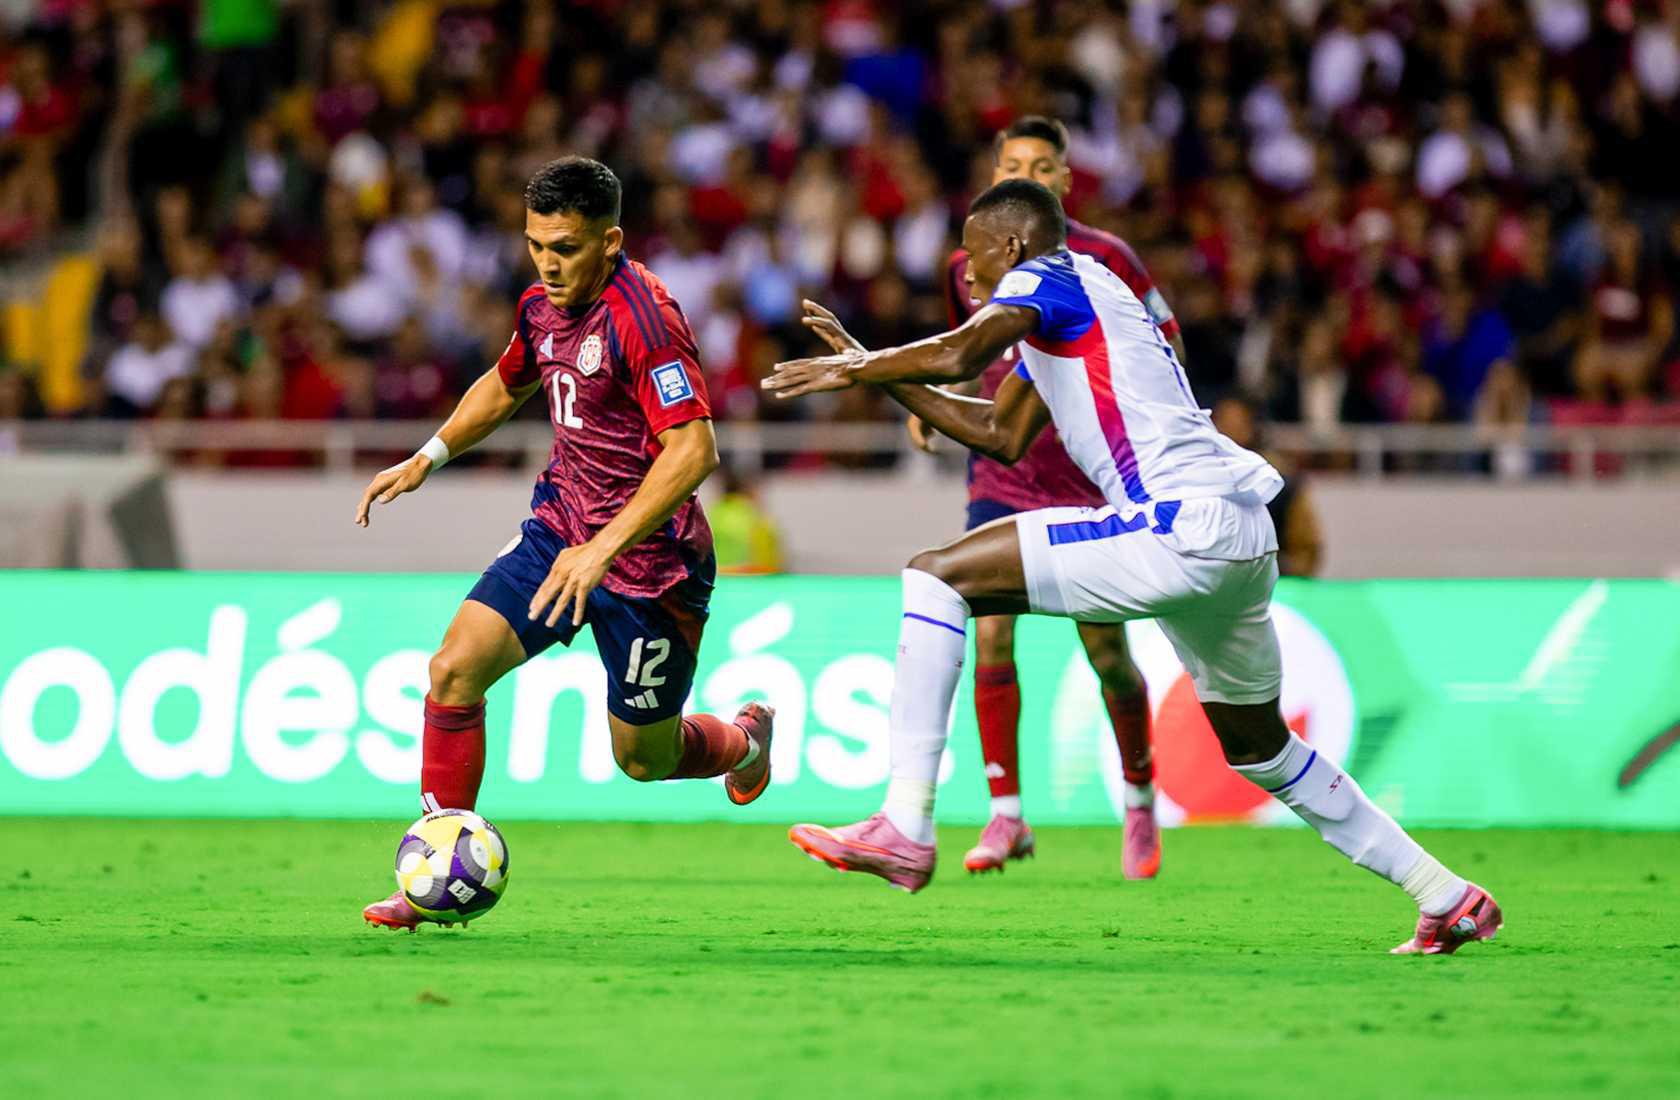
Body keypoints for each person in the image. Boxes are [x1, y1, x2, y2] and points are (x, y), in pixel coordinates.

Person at [766, 178, 1501, 955]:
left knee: (934, 577)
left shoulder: (1049, 275)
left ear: (1012, 247)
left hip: (1175, 525)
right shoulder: (1081, 313)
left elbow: (959, 351)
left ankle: (906, 827)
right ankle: (1444, 894)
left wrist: (862, 366)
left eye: (976, 261)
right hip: (1241, 536)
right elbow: (999, 434)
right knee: (1260, 747)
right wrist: (883, 378)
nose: (969, 279)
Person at [356, 157, 773, 931]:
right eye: (536, 244)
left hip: (651, 567)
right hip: (560, 531)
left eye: (567, 248)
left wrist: (604, 550)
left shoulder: (645, 319)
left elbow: (694, 452)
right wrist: (429, 455)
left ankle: (745, 742)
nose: (549, 264)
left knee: (643, 759)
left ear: (610, 241)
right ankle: (431, 873)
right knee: (453, 670)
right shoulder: (540, 306)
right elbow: (507, 381)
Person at [911, 116, 1182, 879]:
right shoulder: (972, 257)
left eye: (1041, 163)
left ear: (1066, 179)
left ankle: (1137, 797)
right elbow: (970, 349)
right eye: (1012, 163)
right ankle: (1007, 818)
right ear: (995, 175)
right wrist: (932, 399)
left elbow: (1168, 345)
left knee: (1107, 651)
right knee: (989, 633)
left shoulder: (1107, 259)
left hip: (1089, 473)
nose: (1025, 172)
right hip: (1003, 471)